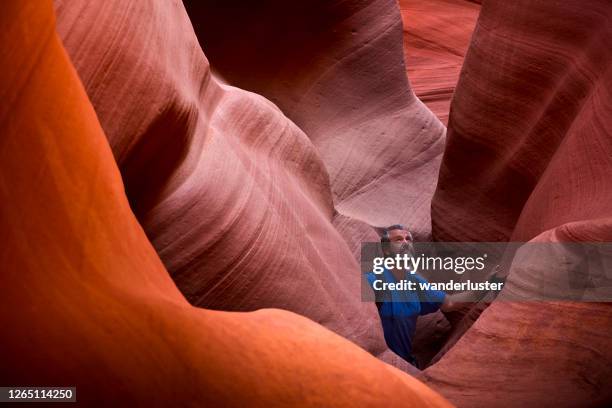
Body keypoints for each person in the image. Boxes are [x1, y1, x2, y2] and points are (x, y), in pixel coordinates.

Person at [365, 224, 495, 368]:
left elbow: (449, 303)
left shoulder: (414, 281)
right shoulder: (374, 280)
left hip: (403, 364)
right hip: (378, 364)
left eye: (408, 239)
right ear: (386, 249)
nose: (405, 243)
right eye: (398, 240)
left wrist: (487, 286)